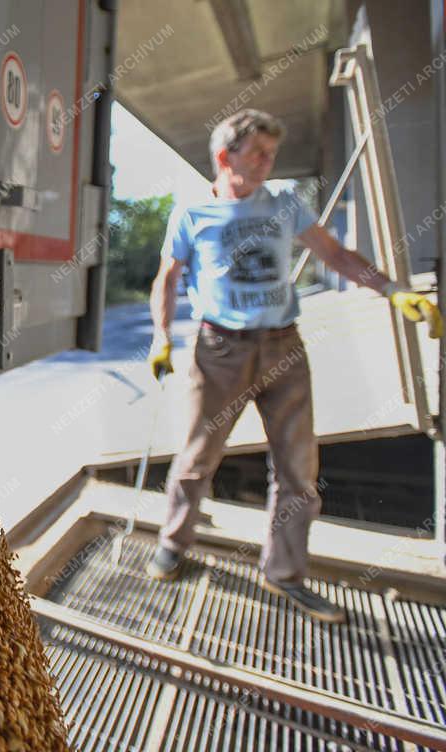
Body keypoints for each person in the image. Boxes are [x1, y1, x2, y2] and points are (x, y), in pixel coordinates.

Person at [145, 109, 442, 623]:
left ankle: (284, 574)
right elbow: (166, 279)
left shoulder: (285, 205)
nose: (267, 163)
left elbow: (337, 256)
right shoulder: (192, 215)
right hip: (220, 352)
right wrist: (160, 337)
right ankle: (173, 543)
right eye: (257, 153)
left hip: (284, 349)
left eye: (272, 154)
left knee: (299, 470)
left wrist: (393, 290)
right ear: (224, 157)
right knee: (196, 458)